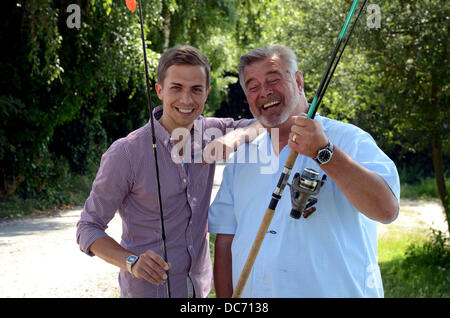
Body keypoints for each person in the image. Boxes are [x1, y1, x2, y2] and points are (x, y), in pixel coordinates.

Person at [209, 45, 400, 298]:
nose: (264, 92)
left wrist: (325, 153)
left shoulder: (349, 139)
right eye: (253, 86)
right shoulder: (242, 160)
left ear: (298, 81)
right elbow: (225, 242)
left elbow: (386, 210)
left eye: (274, 80)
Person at [76, 45, 260, 298]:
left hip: (199, 292)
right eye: (176, 88)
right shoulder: (125, 153)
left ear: (206, 93)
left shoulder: (212, 130)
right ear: (160, 90)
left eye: (196, 90)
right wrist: (131, 261)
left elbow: (268, 123)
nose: (186, 100)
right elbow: (88, 227)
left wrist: (237, 136)